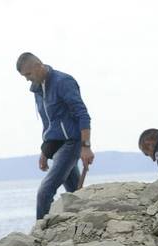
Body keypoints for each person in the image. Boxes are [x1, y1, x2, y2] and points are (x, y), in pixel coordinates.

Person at [17, 53, 94, 219]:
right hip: (55, 145)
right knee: (75, 193)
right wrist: (45, 151)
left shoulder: (63, 82)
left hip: (71, 143)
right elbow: (48, 123)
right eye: (24, 76)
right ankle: (84, 224)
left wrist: (86, 146)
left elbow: (82, 114)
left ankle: (39, 235)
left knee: (44, 192)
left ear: (39, 65)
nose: (27, 79)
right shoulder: (38, 89)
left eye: (28, 74)